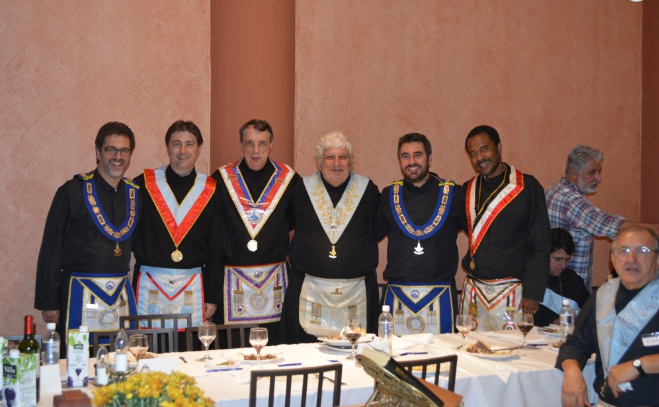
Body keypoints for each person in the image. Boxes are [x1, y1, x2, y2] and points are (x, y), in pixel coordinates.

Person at [34, 122, 139, 353]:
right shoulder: (71, 191)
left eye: (124, 150)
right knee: (78, 366)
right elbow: (51, 247)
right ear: (98, 152)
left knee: (120, 362)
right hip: (78, 295)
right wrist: (49, 301)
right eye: (111, 149)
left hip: (120, 295)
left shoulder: (135, 195)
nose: (118, 156)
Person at [279, 131, 380, 344]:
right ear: (319, 162)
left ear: (351, 162)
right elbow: (282, 223)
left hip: (358, 293)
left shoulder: (368, 190)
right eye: (330, 157)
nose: (337, 163)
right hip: (309, 290)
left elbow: (378, 228)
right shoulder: (300, 189)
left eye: (343, 157)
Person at [211, 119, 298, 344]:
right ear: (241, 145)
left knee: (277, 354)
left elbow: (296, 223)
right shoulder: (220, 179)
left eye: (262, 143)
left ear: (271, 145)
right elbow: (213, 234)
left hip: (275, 283)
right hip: (232, 283)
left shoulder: (289, 179)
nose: (256, 150)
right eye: (249, 143)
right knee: (233, 355)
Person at [132, 120, 222, 332]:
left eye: (189, 144)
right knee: (148, 356)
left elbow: (217, 247)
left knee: (190, 356)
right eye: (176, 144)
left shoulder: (211, 189)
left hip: (193, 287)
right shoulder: (143, 184)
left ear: (199, 149)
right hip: (150, 285)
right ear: (167, 148)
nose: (183, 150)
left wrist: (212, 295)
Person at [374, 133, 467, 335]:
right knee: (391, 362)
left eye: (418, 155)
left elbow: (479, 235)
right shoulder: (388, 195)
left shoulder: (455, 194)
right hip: (396, 296)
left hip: (440, 295)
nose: (412, 162)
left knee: (442, 364)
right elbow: (369, 235)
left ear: (430, 159)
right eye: (405, 156)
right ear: (399, 160)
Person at [461, 125, 551, 331]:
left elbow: (542, 243)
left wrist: (533, 293)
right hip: (475, 290)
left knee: (511, 355)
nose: (479, 158)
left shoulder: (527, 187)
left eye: (484, 149)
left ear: (499, 148)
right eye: (473, 153)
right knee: (471, 353)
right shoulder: (468, 189)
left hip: (513, 292)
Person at [558, 226, 659, 407]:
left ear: (657, 259)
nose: (631, 258)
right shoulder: (603, 295)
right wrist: (572, 371)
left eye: (642, 251)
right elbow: (577, 343)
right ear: (613, 259)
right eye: (623, 251)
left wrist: (638, 365)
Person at [546, 145, 659, 291]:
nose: (598, 178)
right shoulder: (573, 201)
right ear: (574, 173)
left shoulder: (554, 189)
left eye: (599, 172)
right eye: (592, 172)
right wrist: (653, 229)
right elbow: (609, 224)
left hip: (552, 282)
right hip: (571, 290)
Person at [535, 228, 590, 327]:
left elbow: (589, 313)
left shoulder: (574, 279)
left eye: (567, 260)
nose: (563, 265)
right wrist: (554, 321)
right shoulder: (530, 279)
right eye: (558, 259)